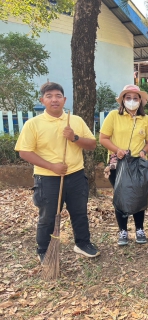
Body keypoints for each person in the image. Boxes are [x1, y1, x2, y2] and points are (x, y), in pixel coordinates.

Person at [15, 82, 100, 263]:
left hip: (76, 175)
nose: (54, 100)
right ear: (42, 100)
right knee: (48, 215)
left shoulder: (75, 120)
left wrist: (74, 138)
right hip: (47, 178)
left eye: (58, 96)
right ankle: (44, 249)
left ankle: (83, 243)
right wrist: (51, 166)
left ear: (64, 99)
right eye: (49, 96)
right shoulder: (33, 124)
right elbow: (24, 152)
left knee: (79, 212)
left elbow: (92, 144)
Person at [99, 84, 148, 246]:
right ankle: (122, 231)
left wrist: (144, 151)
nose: (131, 101)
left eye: (135, 98)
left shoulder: (146, 119)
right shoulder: (114, 116)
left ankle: (139, 229)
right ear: (123, 100)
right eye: (128, 98)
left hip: (138, 163)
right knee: (121, 195)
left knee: (139, 194)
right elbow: (103, 138)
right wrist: (117, 150)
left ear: (140, 101)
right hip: (119, 163)